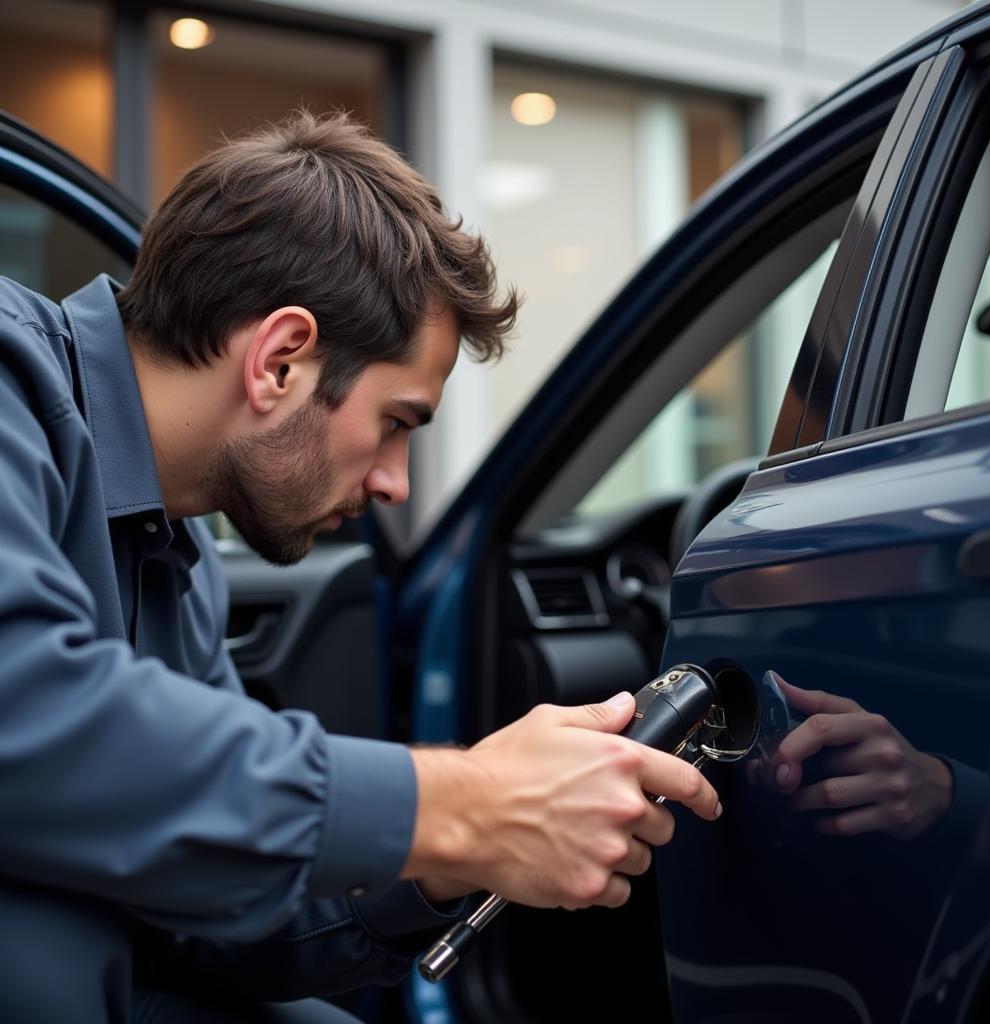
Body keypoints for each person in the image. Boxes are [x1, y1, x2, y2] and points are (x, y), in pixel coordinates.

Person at [0, 110, 721, 1023]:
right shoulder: (7, 377)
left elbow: (211, 916)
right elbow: (26, 711)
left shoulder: (178, 557)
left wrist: (451, 855)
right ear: (281, 361)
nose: (393, 484)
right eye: (397, 422)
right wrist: (466, 800)